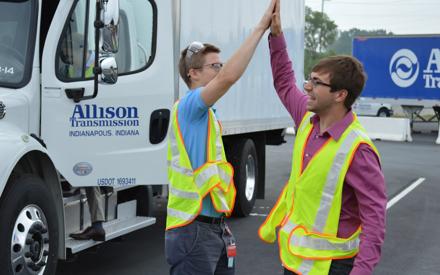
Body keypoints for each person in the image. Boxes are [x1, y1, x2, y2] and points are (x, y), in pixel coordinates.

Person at [258, 1, 387, 274]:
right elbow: (283, 80)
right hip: (294, 260)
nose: (308, 86)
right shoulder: (306, 119)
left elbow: (374, 220)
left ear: (340, 95)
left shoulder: (358, 149)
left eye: (317, 82)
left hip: (333, 268)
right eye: (310, 79)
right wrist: (276, 36)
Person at [164, 1, 277, 274]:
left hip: (213, 227)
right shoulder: (190, 106)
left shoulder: (206, 114)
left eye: (220, 64)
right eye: (214, 66)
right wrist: (261, 27)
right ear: (193, 73)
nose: (220, 70)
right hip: (193, 229)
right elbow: (228, 78)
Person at [65, 32, 105, 242]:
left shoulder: (96, 67)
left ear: (82, 49)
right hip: (76, 124)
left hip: (92, 126)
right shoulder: (73, 66)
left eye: (69, 51)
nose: (67, 56)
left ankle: (97, 225)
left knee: (89, 174)